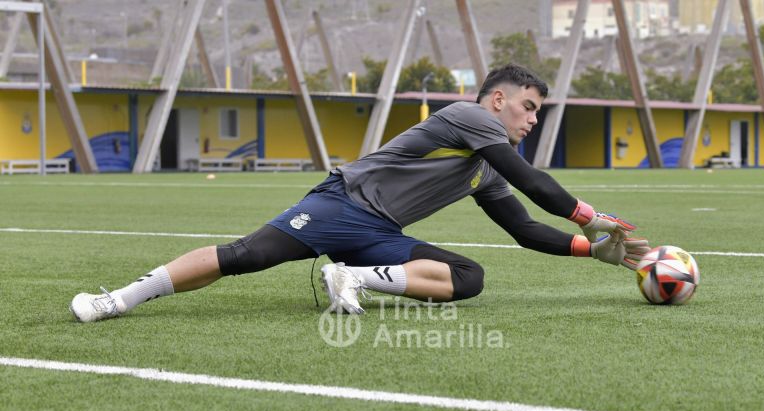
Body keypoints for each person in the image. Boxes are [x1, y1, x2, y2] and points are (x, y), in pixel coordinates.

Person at [70, 63, 649, 322]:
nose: (533, 119)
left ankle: (353, 278)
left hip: (378, 234)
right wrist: (587, 215)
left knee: (468, 277)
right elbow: (532, 181)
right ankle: (118, 299)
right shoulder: (471, 117)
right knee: (244, 256)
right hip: (340, 203)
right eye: (529, 107)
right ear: (498, 100)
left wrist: (592, 250)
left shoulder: (488, 166)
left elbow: (523, 229)